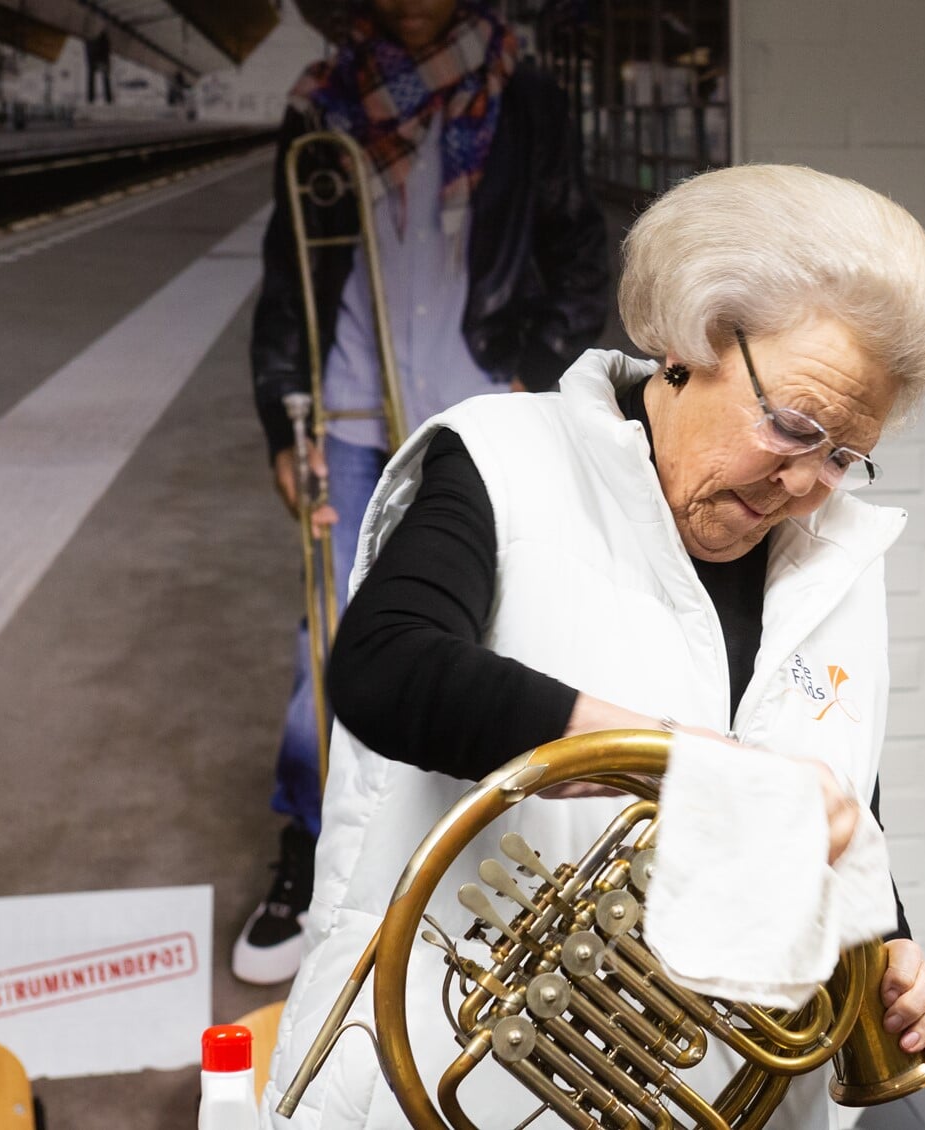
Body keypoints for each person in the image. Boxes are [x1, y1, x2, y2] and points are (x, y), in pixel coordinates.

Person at [263, 163, 925, 1128]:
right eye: (795, 425)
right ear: (689, 340)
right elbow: (385, 665)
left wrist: (890, 949)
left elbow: (843, 803)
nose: (809, 483)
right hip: (444, 1086)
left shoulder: (842, 552)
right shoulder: (502, 458)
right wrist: (680, 765)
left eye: (845, 455)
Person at [240, 0, 609, 983]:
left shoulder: (524, 95)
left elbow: (578, 250)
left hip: (481, 411)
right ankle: (309, 852)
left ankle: (469, 864)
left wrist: (539, 377)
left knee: (492, 635)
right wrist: (287, 419)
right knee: (326, 636)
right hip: (353, 411)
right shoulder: (322, 104)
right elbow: (290, 270)